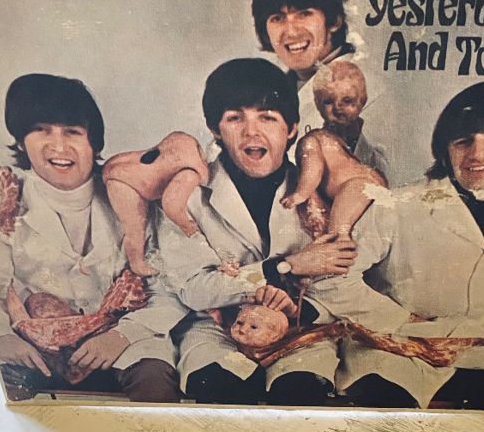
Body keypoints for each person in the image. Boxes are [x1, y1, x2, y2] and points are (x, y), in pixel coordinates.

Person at [155, 57, 404, 406]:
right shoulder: (185, 196)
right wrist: (284, 267)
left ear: (291, 129)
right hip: (219, 331)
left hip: (301, 331)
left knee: (301, 394)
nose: (251, 132)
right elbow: (193, 289)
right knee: (222, 392)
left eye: (267, 118)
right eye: (235, 118)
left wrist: (299, 313)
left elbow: (341, 279)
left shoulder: (325, 192)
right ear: (214, 129)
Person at [0, 73, 183, 403]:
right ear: (21, 141)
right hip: (35, 342)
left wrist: (123, 335)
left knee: (154, 382)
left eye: (72, 132)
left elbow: (171, 283)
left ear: (94, 142)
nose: (58, 146)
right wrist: (0, 336)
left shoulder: (131, 193)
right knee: (2, 392)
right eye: (41, 130)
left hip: (125, 334)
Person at [341, 81, 484, 410]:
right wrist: (405, 323)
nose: (477, 154)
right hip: (390, 346)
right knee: (390, 406)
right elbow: (338, 278)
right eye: (463, 141)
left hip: (473, 351)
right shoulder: (398, 205)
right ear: (446, 151)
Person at [311, 58, 389, 175]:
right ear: (318, 105)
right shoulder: (314, 143)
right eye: (328, 101)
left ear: (362, 101)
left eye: (347, 100)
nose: (337, 107)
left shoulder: (378, 151)